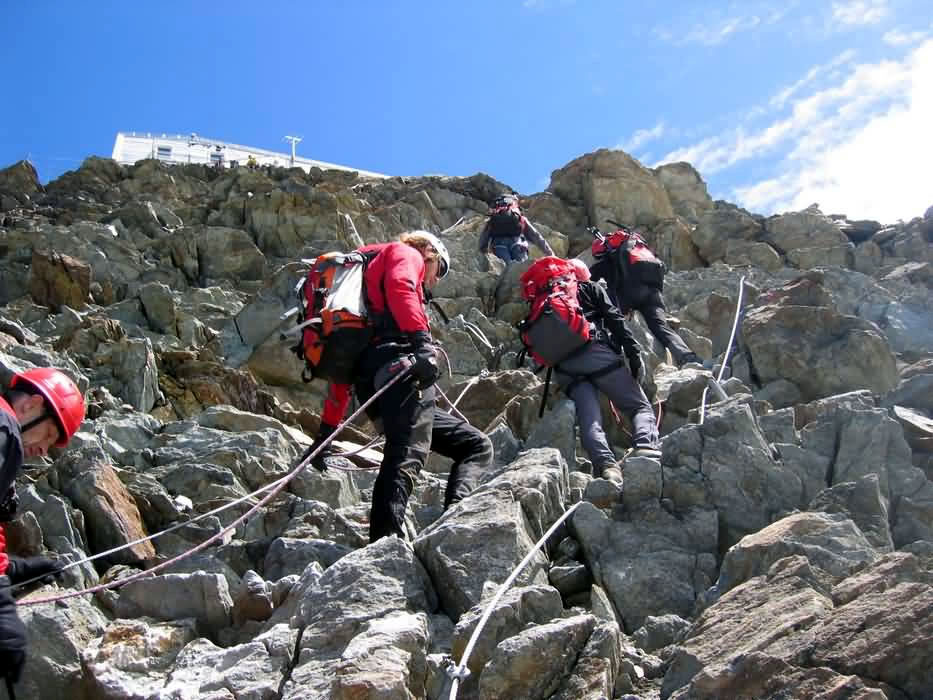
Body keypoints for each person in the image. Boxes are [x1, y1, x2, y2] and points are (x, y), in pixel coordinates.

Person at [307, 231, 493, 542]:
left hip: (373, 383)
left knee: (475, 445)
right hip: (400, 368)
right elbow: (401, 286)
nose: (435, 280)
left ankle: (455, 515)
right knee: (407, 451)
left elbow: (341, 375)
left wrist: (324, 436)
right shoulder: (406, 253)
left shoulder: (361, 301)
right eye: (440, 270)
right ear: (430, 251)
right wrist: (422, 344)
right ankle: (384, 543)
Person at [0, 368, 86, 687]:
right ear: (32, 405)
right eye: (49, 434)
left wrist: (9, 569)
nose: (44, 450)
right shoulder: (5, 431)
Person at [556, 260, 661, 483]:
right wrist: (633, 354)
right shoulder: (590, 288)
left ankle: (606, 466)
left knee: (590, 418)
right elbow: (615, 319)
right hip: (597, 356)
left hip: (564, 366)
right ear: (583, 276)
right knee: (639, 406)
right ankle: (645, 446)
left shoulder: (551, 300)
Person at [590, 238, 702, 368]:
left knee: (611, 318)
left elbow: (588, 279)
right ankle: (688, 357)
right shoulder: (632, 253)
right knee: (661, 326)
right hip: (654, 293)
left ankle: (613, 358)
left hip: (630, 296)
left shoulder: (608, 261)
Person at [478, 194, 555, 264]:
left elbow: (483, 237)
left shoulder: (492, 219)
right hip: (518, 243)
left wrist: (482, 252)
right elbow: (536, 236)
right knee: (522, 269)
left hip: (498, 245)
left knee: (506, 270)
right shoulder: (520, 217)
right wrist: (550, 254)